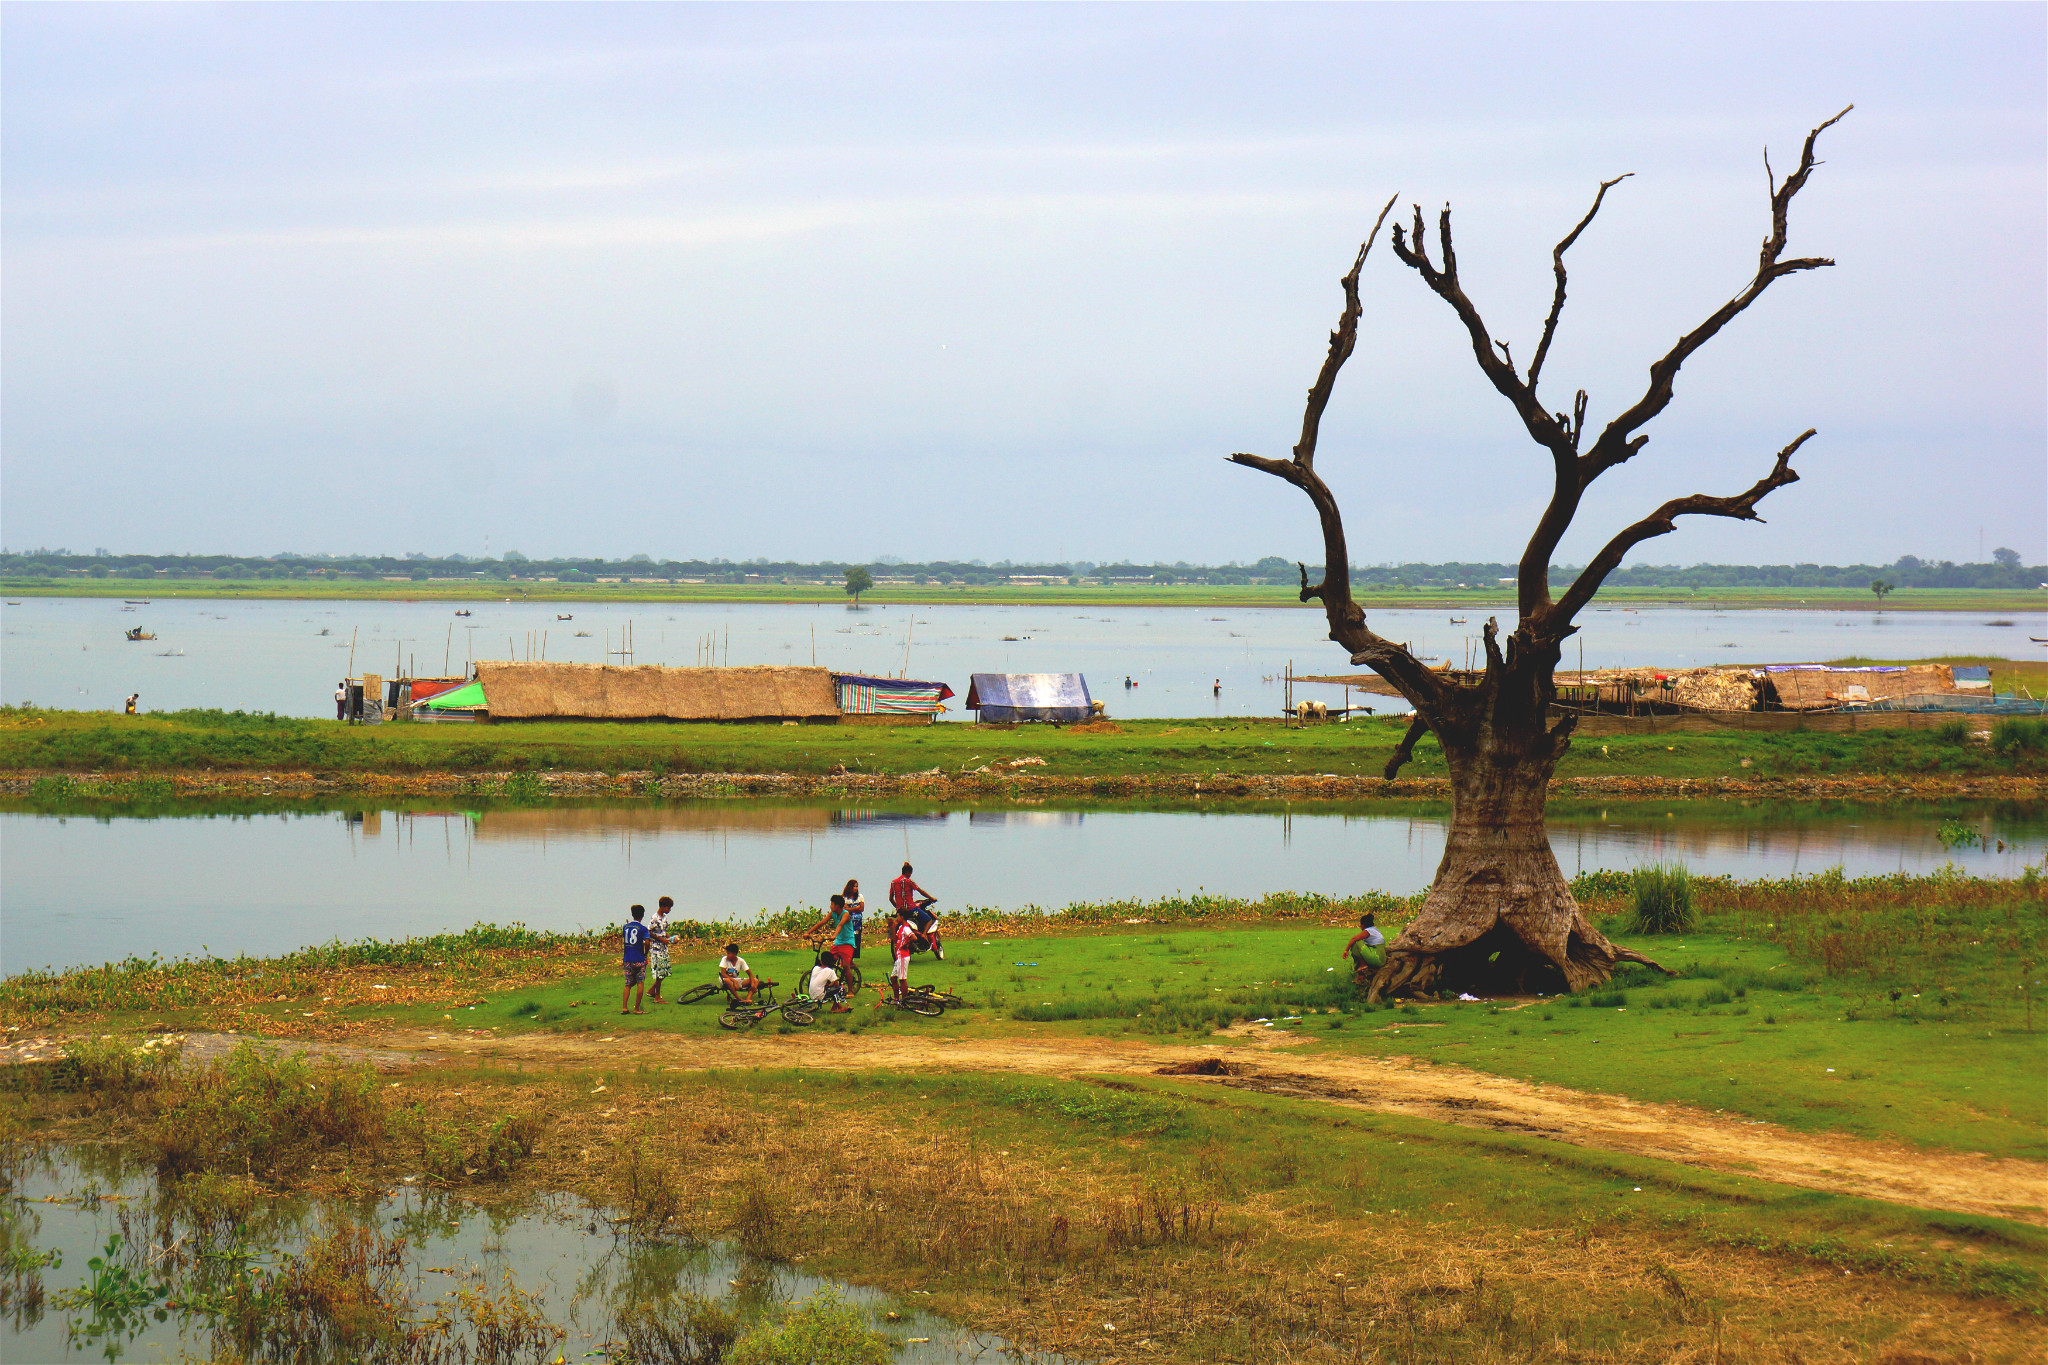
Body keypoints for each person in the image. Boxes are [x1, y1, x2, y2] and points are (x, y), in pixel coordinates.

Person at [889, 862, 943, 961]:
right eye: (910, 873)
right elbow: (920, 891)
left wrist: (898, 907)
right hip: (911, 909)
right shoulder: (909, 881)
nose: (910, 875)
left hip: (900, 911)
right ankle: (923, 934)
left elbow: (891, 898)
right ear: (908, 872)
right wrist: (931, 898)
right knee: (928, 920)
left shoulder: (893, 882)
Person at [808, 894, 858, 973]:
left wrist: (834, 935)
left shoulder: (845, 914)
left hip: (848, 942)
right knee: (828, 963)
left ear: (837, 906)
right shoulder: (832, 914)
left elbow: (840, 925)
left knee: (845, 966)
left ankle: (850, 985)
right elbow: (822, 922)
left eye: (832, 904)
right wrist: (808, 932)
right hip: (838, 941)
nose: (830, 906)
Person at [621, 904, 651, 1015]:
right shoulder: (643, 929)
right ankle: (637, 1008)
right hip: (639, 959)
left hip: (628, 959)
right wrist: (645, 953)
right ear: (642, 915)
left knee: (628, 983)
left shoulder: (625, 927)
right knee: (640, 982)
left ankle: (624, 1007)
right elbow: (647, 942)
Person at [1342, 912, 1387, 985]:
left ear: (1363, 925)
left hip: (1376, 958)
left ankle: (1362, 965)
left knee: (1356, 943)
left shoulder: (1368, 931)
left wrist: (1346, 950)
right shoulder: (1375, 930)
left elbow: (1354, 938)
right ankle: (1361, 974)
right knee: (1360, 945)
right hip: (1382, 959)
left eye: (1360, 924)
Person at [887, 907, 921, 1003]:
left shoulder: (906, 928)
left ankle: (904, 1001)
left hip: (903, 955)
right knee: (893, 978)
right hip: (899, 956)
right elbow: (895, 940)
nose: (896, 918)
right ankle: (896, 999)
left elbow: (914, 937)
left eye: (898, 916)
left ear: (902, 917)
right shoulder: (901, 928)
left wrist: (905, 944)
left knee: (902, 979)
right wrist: (893, 927)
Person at [646, 896, 675, 1002]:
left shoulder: (664, 917)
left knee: (664, 971)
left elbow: (663, 931)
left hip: (663, 948)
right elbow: (649, 932)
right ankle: (657, 997)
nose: (669, 910)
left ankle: (652, 990)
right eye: (668, 908)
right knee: (659, 973)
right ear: (663, 907)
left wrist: (670, 938)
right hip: (656, 948)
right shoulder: (655, 918)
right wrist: (661, 940)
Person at [842, 879, 866, 958]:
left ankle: (853, 957)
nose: (855, 888)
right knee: (849, 938)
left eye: (857, 886)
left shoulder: (860, 897)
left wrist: (850, 908)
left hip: (858, 921)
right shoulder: (845, 897)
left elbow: (861, 909)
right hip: (848, 921)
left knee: (856, 939)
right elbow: (845, 909)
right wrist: (856, 907)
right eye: (854, 886)